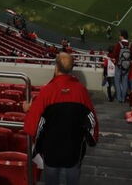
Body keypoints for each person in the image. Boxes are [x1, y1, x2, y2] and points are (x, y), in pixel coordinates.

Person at [24, 53, 98, 185]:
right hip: (74, 150)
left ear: (56, 67)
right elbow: (92, 124)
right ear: (71, 69)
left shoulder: (47, 91)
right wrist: (91, 140)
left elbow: (31, 127)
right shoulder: (81, 91)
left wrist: (28, 110)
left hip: (51, 150)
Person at [109, 29, 132, 103]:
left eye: (120, 35)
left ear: (122, 36)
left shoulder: (118, 44)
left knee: (117, 81)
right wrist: (129, 62)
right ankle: (123, 98)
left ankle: (119, 97)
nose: (119, 36)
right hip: (127, 67)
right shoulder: (131, 45)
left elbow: (114, 55)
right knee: (125, 82)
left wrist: (108, 55)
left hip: (119, 65)